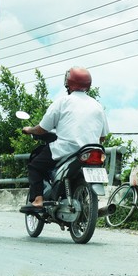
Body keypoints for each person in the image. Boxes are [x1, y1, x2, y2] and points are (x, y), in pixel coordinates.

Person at [21, 67, 109, 212]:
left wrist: (29, 130)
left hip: (66, 149)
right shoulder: (97, 106)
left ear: (68, 83)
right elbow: (103, 136)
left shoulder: (63, 102)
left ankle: (37, 200)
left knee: (35, 165)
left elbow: (43, 128)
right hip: (92, 150)